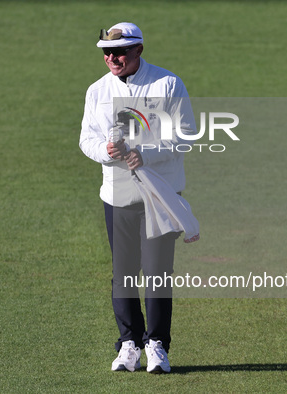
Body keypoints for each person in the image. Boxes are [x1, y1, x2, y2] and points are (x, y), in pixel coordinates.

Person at [79, 22, 196, 374]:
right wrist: (107, 150)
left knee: (158, 272)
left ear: (139, 50)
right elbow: (86, 139)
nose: (113, 58)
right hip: (116, 195)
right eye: (107, 53)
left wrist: (143, 151)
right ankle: (129, 344)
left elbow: (186, 136)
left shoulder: (167, 83)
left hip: (159, 193)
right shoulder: (97, 90)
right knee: (124, 272)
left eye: (120, 51)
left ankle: (157, 345)